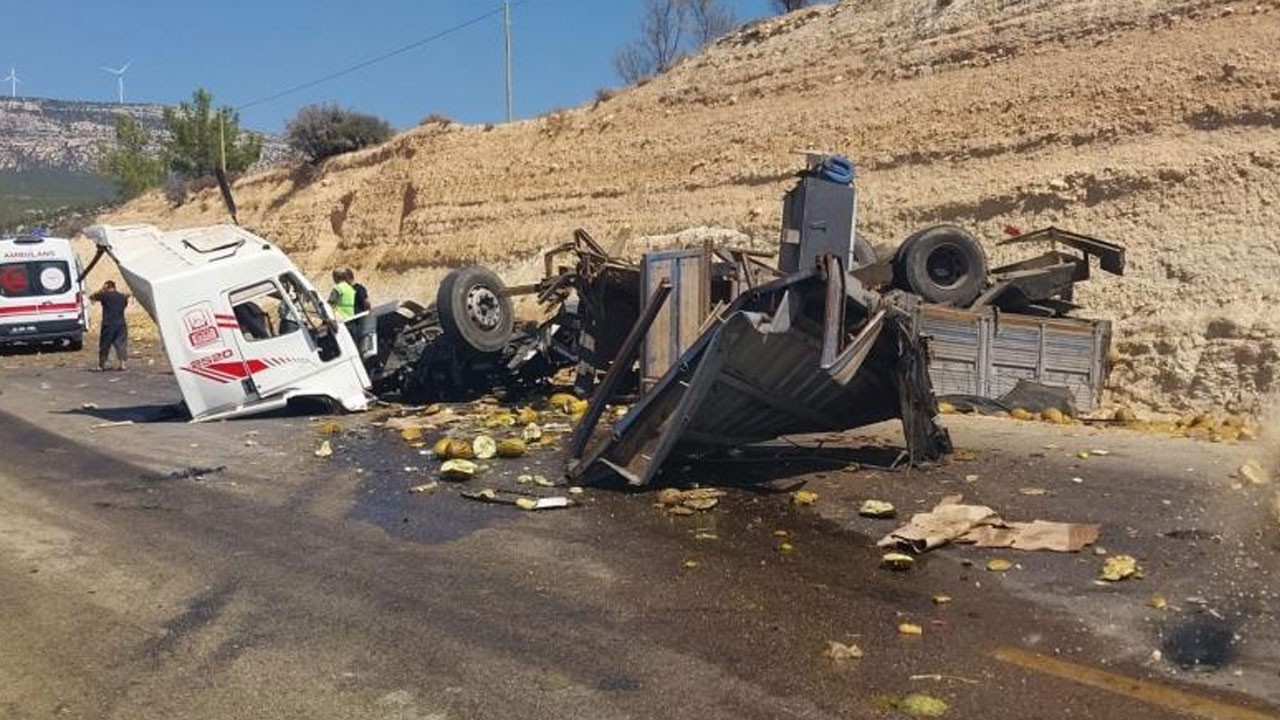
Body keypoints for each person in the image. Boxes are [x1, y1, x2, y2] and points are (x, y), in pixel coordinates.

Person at [89, 280, 129, 371]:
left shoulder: (104, 295)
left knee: (105, 345)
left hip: (109, 324)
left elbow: (92, 297)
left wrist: (101, 290)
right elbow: (124, 305)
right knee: (121, 344)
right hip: (121, 323)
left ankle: (101, 365)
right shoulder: (122, 297)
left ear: (107, 286)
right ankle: (123, 364)